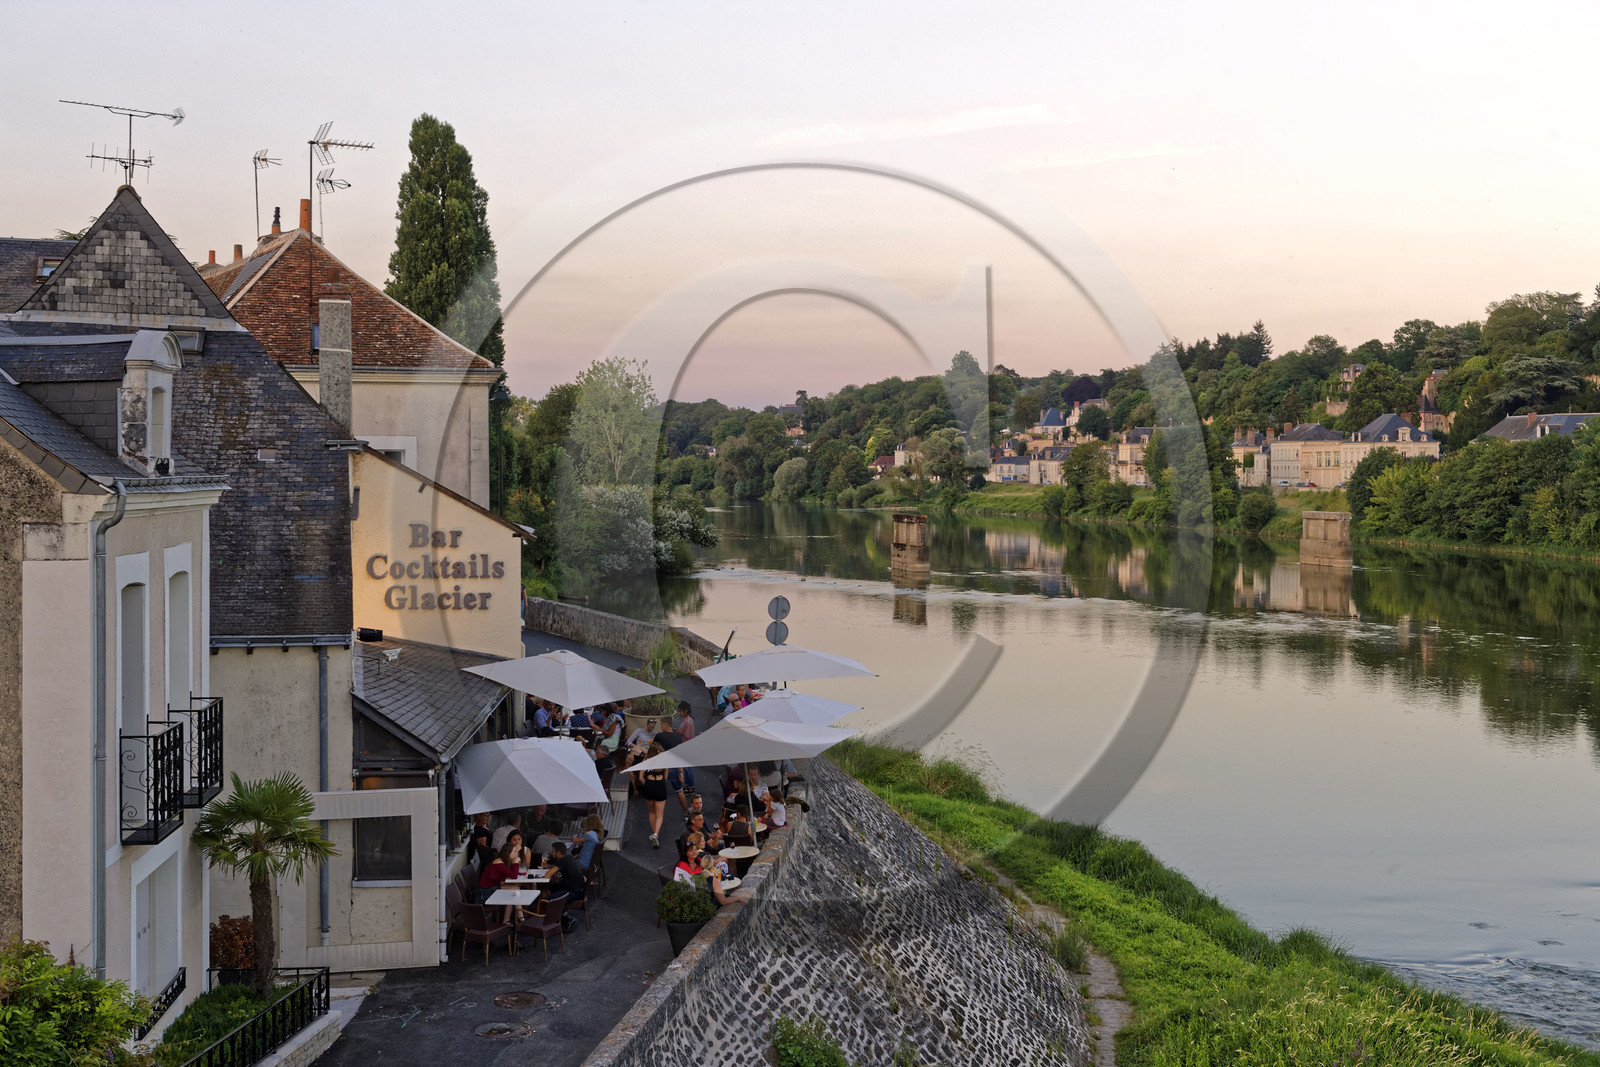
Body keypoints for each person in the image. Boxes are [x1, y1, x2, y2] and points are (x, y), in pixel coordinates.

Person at [633, 742, 671, 848]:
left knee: (651, 811)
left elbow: (640, 778)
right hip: (660, 786)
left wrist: (647, 785)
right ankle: (656, 834)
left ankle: (653, 832)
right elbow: (666, 776)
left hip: (649, 786)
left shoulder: (645, 761)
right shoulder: (663, 762)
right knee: (660, 814)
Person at [479, 842, 525, 919]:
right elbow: (513, 876)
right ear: (507, 853)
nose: (515, 854)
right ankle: (521, 918)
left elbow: (511, 873)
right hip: (486, 891)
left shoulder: (502, 860)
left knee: (513, 893)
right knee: (515, 889)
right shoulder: (499, 863)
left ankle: (507, 921)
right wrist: (516, 862)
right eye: (514, 852)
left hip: (493, 887)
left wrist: (514, 862)